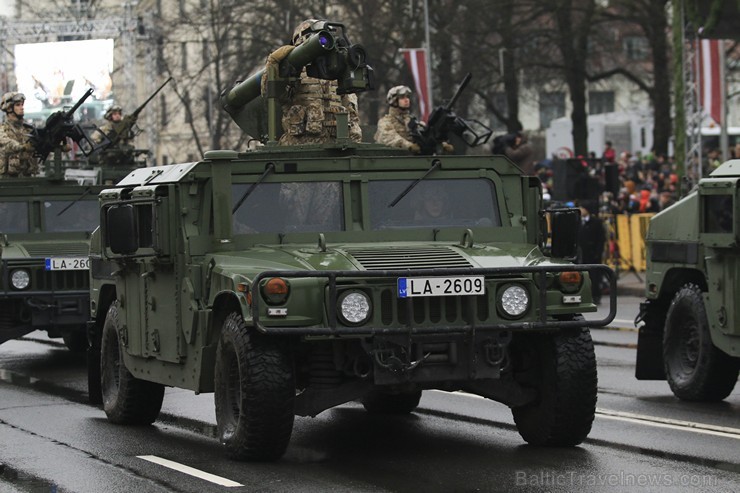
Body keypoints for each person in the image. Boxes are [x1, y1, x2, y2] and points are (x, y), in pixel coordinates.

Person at [263, 19, 362, 145]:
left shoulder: (336, 71)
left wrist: (354, 143)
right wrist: (273, 65)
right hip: (300, 146)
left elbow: (351, 112)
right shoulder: (293, 70)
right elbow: (272, 93)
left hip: (335, 146)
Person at [0, 92, 38, 177]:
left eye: (22, 105)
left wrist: (58, 147)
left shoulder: (28, 129)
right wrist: (23, 147)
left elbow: (41, 142)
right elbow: (7, 143)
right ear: (9, 108)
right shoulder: (2, 129)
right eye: (18, 105)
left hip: (28, 177)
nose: (22, 108)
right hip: (7, 180)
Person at [374, 85, 420, 153]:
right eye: (402, 97)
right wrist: (410, 146)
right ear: (394, 101)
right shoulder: (385, 122)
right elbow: (390, 138)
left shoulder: (411, 120)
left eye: (407, 97)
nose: (406, 100)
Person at [577, 201, 606, 305]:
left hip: (592, 254)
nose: (580, 210)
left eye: (582, 208)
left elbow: (601, 239)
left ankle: (596, 296)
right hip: (581, 254)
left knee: (595, 276)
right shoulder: (578, 222)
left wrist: (598, 253)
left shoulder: (596, 222)